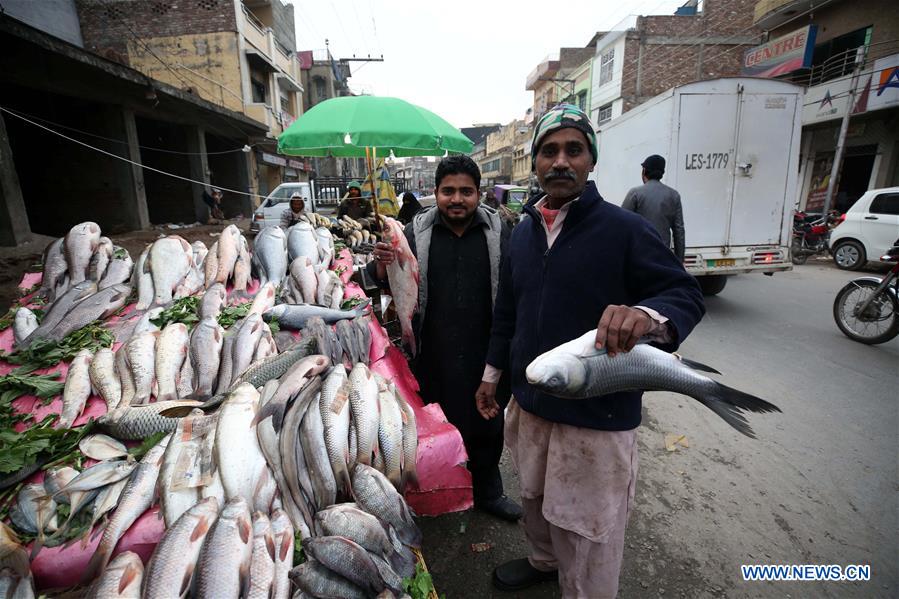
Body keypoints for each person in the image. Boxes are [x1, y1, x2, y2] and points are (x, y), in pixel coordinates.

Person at [476, 104, 704, 597]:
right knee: (534, 498)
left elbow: (684, 294)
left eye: (573, 150)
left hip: (598, 416)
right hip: (532, 402)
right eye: (549, 151)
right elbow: (507, 312)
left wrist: (646, 317)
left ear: (591, 161)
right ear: (535, 162)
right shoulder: (523, 232)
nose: (561, 161)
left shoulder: (625, 229)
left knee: (588, 528)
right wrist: (493, 375)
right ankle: (543, 562)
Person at [367, 155, 522, 522]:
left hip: (486, 345)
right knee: (436, 420)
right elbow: (378, 280)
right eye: (448, 191)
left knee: (487, 419)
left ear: (479, 194)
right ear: (435, 193)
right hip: (433, 346)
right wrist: (381, 263)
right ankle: (442, 485)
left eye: (466, 191)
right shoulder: (412, 233)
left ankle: (488, 488)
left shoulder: (500, 231)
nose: (457, 199)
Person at [622, 155, 686, 261]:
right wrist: (679, 261)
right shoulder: (674, 195)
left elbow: (621, 224)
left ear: (644, 171)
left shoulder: (635, 193)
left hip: (638, 256)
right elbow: (679, 231)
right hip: (663, 256)